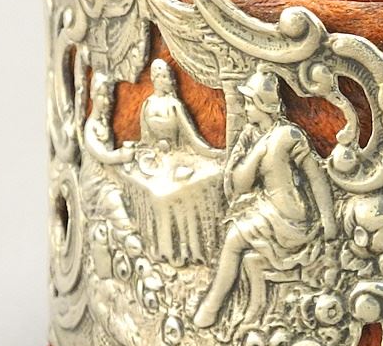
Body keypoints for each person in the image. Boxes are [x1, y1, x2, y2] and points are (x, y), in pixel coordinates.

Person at [192, 70, 336, 328]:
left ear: (264, 105)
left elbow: (316, 178)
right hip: (267, 209)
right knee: (236, 240)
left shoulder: (288, 136)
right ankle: (226, 308)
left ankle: (211, 307)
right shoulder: (253, 137)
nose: (246, 108)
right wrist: (257, 152)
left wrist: (328, 221)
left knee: (233, 238)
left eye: (249, 103)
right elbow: (240, 184)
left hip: (291, 217)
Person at [139, 59, 219, 159]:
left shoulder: (174, 105)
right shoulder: (147, 104)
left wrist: (213, 153)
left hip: (176, 156)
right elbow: (145, 139)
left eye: (169, 77)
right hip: (154, 156)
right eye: (165, 77)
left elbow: (192, 137)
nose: (171, 81)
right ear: (156, 78)